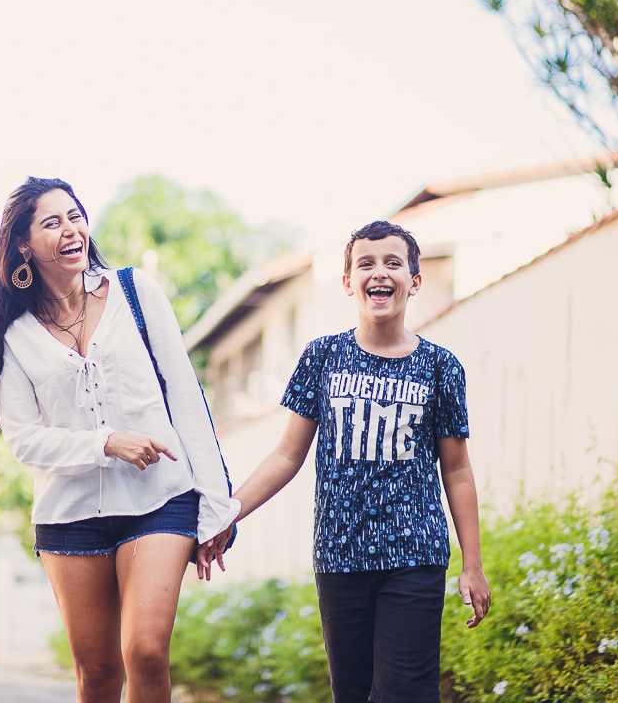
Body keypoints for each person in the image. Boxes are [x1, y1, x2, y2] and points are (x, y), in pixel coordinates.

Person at [197, 220, 491, 703]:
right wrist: (227, 513)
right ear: (348, 281)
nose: (380, 272)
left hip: (415, 555)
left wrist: (472, 564)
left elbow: (457, 469)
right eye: (366, 263)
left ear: (414, 281)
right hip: (339, 555)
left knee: (405, 694)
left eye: (393, 263)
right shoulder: (322, 358)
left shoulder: (442, 368)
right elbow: (286, 455)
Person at [0, 177, 240, 703]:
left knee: (144, 650)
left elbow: (185, 397)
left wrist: (216, 507)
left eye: (75, 216)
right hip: (70, 516)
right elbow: (25, 440)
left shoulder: (135, 292)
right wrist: (105, 442)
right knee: (95, 676)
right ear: (24, 245)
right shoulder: (13, 335)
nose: (71, 230)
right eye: (52, 222)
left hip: (160, 499)